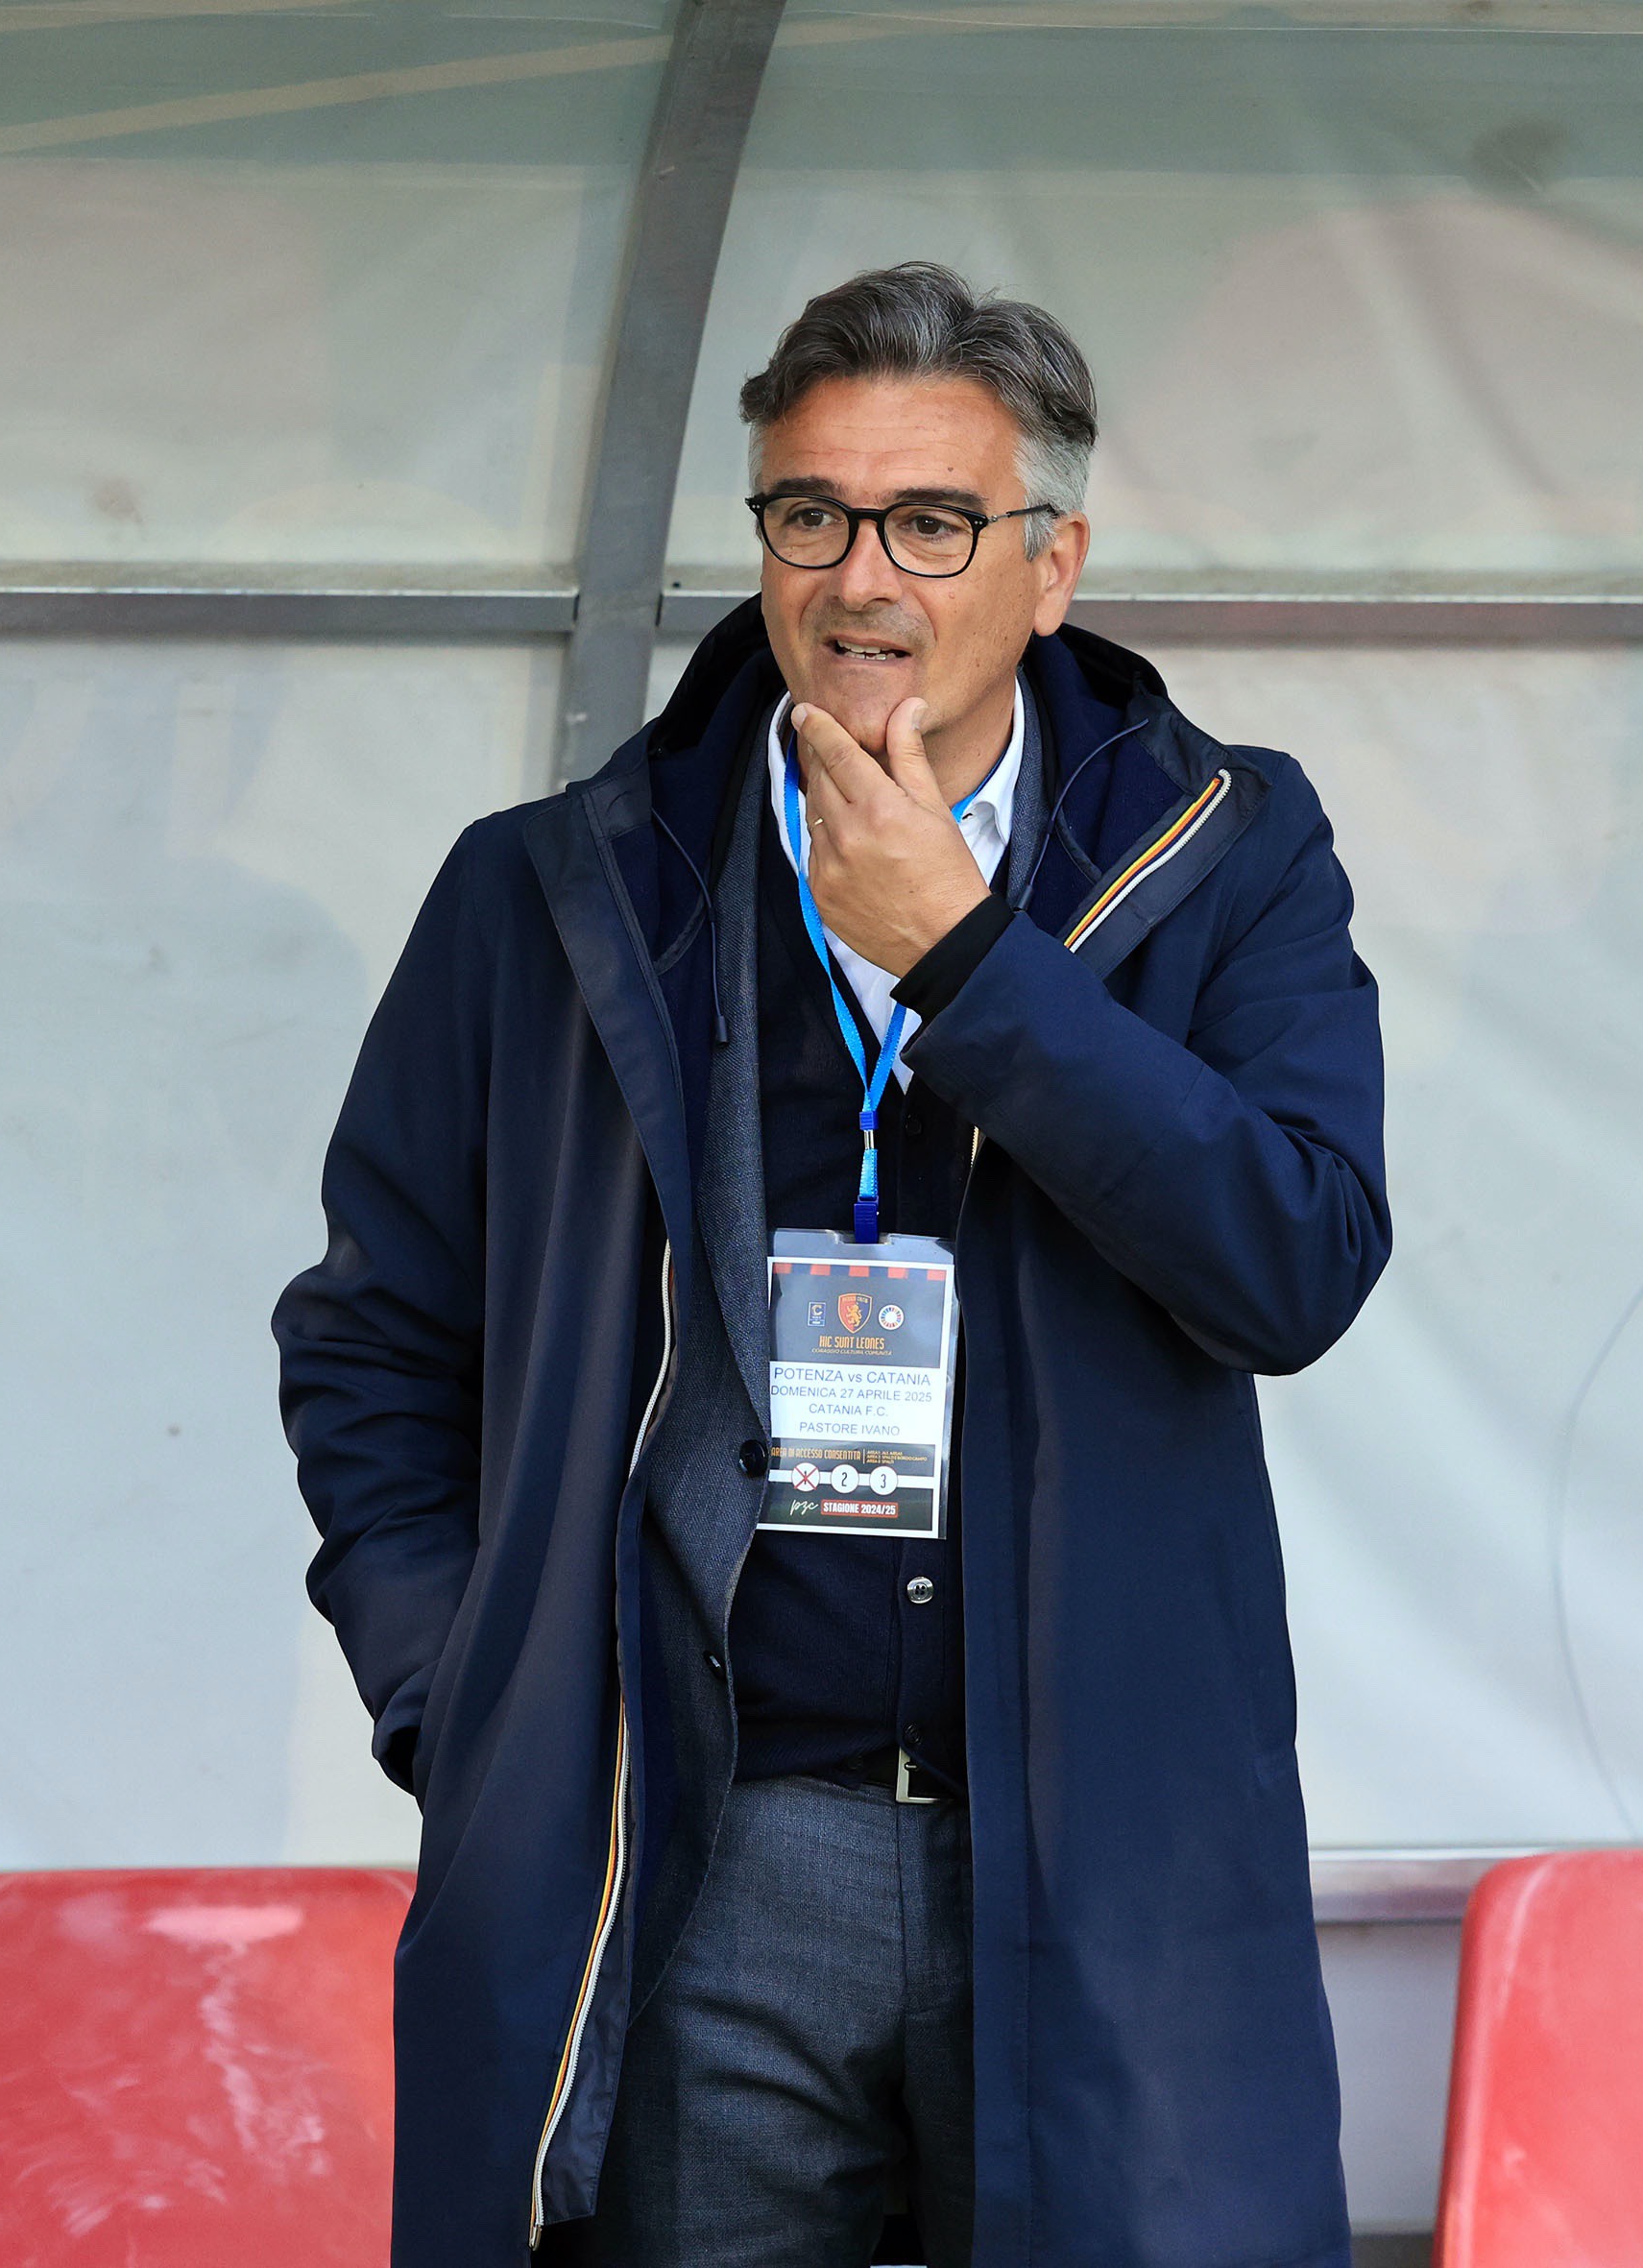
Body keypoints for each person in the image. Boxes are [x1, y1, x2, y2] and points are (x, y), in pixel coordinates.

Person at [276, 260, 1389, 2267]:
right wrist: (476, 1709)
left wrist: (969, 960)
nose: (861, 577)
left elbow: (1292, 1261)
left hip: (1097, 1851)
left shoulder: (1234, 854)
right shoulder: (555, 886)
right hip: (706, 1858)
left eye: (930, 523)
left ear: (1051, 567)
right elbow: (374, 1343)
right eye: (810, 513)